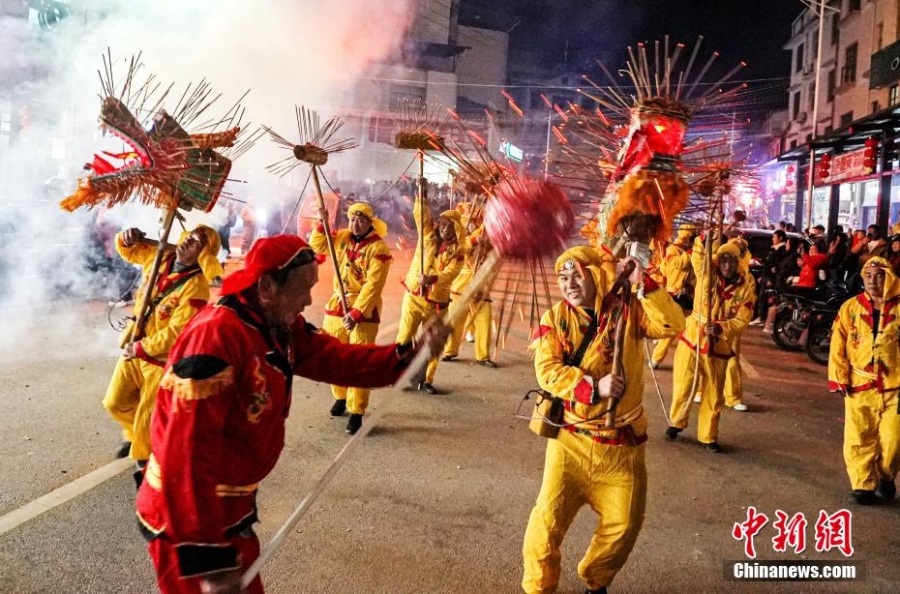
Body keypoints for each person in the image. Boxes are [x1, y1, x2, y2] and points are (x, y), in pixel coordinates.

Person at [135, 234, 448, 594]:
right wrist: (209, 559)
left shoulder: (275, 325)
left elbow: (335, 359)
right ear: (266, 286)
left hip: (227, 516)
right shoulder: (216, 336)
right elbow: (184, 453)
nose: (309, 300)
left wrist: (411, 354)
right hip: (187, 522)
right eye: (303, 289)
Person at [522, 246, 684, 594]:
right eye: (563, 279)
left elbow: (673, 323)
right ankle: (538, 588)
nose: (569, 285)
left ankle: (596, 580)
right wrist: (593, 387)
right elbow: (547, 371)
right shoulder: (555, 319)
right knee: (545, 524)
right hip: (570, 443)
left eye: (576, 276)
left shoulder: (629, 310)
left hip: (622, 446)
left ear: (596, 275)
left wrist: (646, 285)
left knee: (624, 525)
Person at [102, 224, 222, 463]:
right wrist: (126, 238)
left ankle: (145, 469)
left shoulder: (196, 286)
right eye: (189, 236)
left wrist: (141, 348)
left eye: (196, 242)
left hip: (158, 362)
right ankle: (133, 434)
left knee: (148, 422)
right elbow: (128, 251)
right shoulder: (160, 256)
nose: (188, 241)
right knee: (114, 402)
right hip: (132, 346)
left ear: (202, 253)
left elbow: (176, 332)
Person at [309, 202, 393, 434]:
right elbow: (317, 245)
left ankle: (357, 410)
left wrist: (357, 312)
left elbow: (373, 285)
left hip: (362, 311)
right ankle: (341, 396)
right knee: (334, 356)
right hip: (337, 304)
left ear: (370, 223)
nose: (355, 224)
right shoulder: (343, 237)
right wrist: (321, 223)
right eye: (352, 220)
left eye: (361, 220)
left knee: (359, 361)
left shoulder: (380, 249)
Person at [666, 239, 755, 452]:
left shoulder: (745, 288)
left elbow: (743, 318)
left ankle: (708, 436)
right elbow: (698, 256)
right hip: (693, 339)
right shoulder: (707, 275)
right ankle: (676, 423)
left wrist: (721, 327)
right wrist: (706, 238)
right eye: (723, 260)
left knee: (714, 393)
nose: (727, 265)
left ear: (738, 262)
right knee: (684, 385)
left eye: (731, 261)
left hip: (718, 346)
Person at [828, 257, 900, 505]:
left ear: (889, 277)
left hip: (895, 387)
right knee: (859, 436)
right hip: (860, 384)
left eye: (879, 275)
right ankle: (863, 484)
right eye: (868, 275)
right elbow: (838, 344)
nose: (872, 280)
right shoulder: (850, 307)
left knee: (893, 440)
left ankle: (886, 475)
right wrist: (839, 377)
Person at [395, 194, 465, 394]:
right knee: (404, 339)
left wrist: (433, 279)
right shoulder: (426, 236)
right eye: (442, 224)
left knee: (432, 343)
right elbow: (421, 216)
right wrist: (422, 195)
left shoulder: (459, 252)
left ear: (456, 229)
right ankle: (401, 374)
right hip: (413, 298)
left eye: (448, 226)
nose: (443, 228)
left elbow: (451, 273)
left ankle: (425, 380)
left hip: (436, 304)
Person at [442, 203, 496, 367]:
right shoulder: (456, 237)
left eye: (474, 219)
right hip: (459, 288)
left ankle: (483, 356)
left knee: (484, 320)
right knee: (455, 321)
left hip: (480, 287)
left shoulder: (486, 233)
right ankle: (450, 351)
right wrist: (474, 240)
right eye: (468, 219)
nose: (471, 222)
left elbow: (492, 263)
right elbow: (461, 246)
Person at [650, 226, 694, 368]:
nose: (688, 241)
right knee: (672, 329)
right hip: (675, 294)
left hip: (688, 296)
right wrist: (691, 252)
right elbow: (679, 264)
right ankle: (657, 357)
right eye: (687, 237)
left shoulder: (685, 251)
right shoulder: (673, 251)